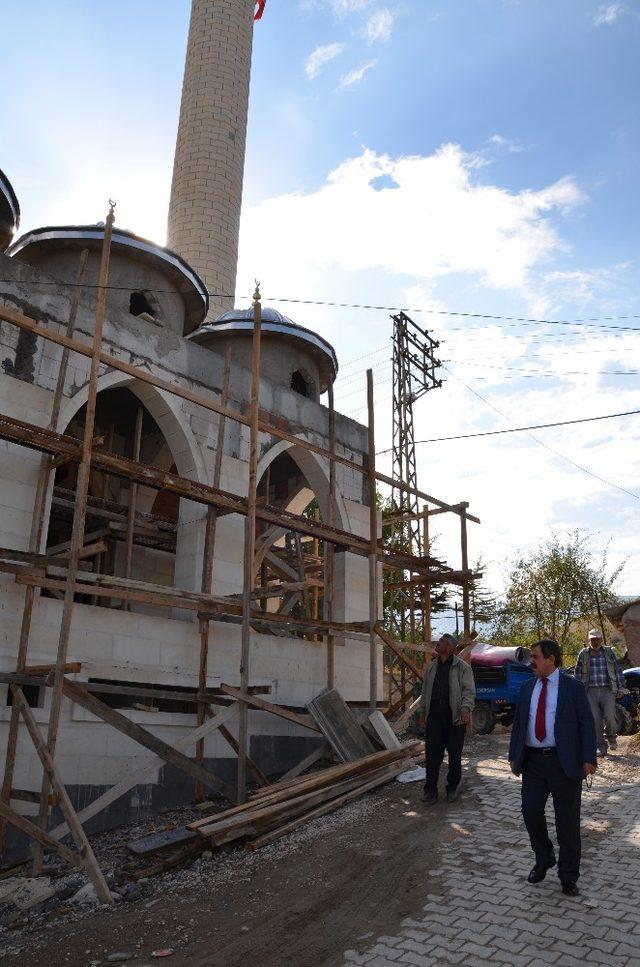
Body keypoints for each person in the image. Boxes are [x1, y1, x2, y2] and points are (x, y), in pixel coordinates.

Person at [509, 639, 597, 896]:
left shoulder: (573, 688)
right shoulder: (527, 688)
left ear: (551, 659)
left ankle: (568, 876)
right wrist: (514, 755)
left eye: (535, 656)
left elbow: (586, 724)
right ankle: (544, 856)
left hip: (564, 762)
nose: (531, 661)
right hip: (534, 763)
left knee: (567, 822)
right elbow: (519, 725)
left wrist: (589, 758)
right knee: (530, 810)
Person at [421, 632, 475, 805]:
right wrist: (423, 712)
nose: (438, 643)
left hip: (455, 715)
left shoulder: (462, 667)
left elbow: (468, 691)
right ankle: (430, 791)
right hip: (435, 714)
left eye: (443, 641)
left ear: (450, 647)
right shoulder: (431, 667)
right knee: (432, 754)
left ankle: (452, 789)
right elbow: (424, 692)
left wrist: (466, 709)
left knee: (454, 754)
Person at [574, 629, 625, 756]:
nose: (595, 641)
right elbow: (578, 673)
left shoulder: (609, 651)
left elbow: (617, 669)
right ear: (589, 640)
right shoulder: (583, 653)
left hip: (608, 689)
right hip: (590, 691)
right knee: (595, 720)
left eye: (597, 639)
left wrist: (620, 687)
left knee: (610, 716)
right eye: (592, 639)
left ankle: (611, 738)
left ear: (601, 640)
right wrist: (578, 692)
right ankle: (601, 746)